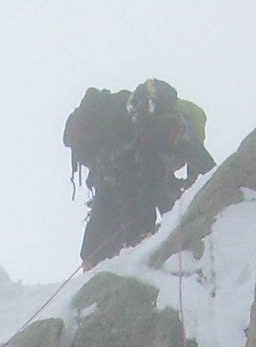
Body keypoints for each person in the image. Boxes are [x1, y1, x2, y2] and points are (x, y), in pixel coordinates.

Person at [63, 80, 215, 267]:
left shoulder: (144, 131)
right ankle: (134, 243)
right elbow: (192, 160)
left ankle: (102, 259)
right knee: (147, 191)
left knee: (121, 209)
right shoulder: (165, 130)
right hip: (125, 169)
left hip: (116, 170)